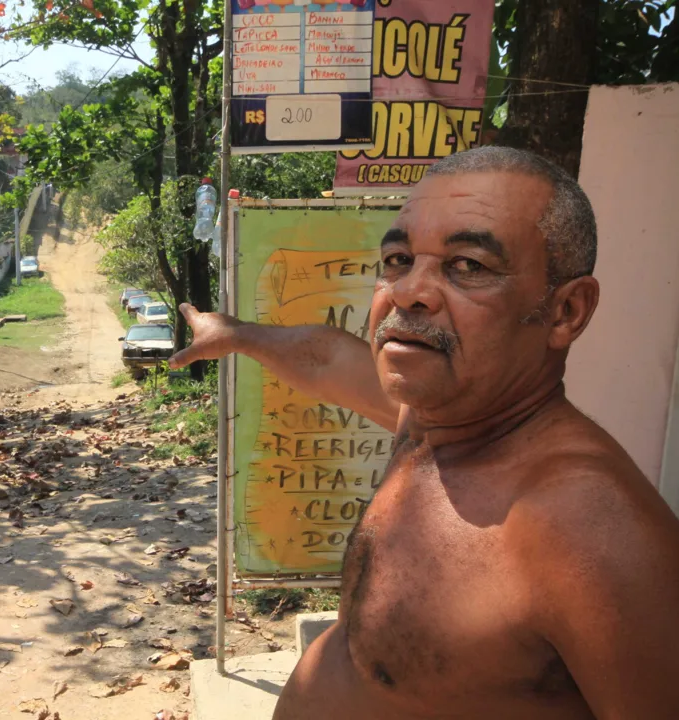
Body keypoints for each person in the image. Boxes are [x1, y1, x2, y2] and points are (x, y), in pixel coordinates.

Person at [169, 147, 679, 719]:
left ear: (565, 311)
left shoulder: (590, 526)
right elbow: (327, 360)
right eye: (398, 258)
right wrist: (236, 334)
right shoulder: (436, 418)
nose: (409, 290)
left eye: (468, 265)